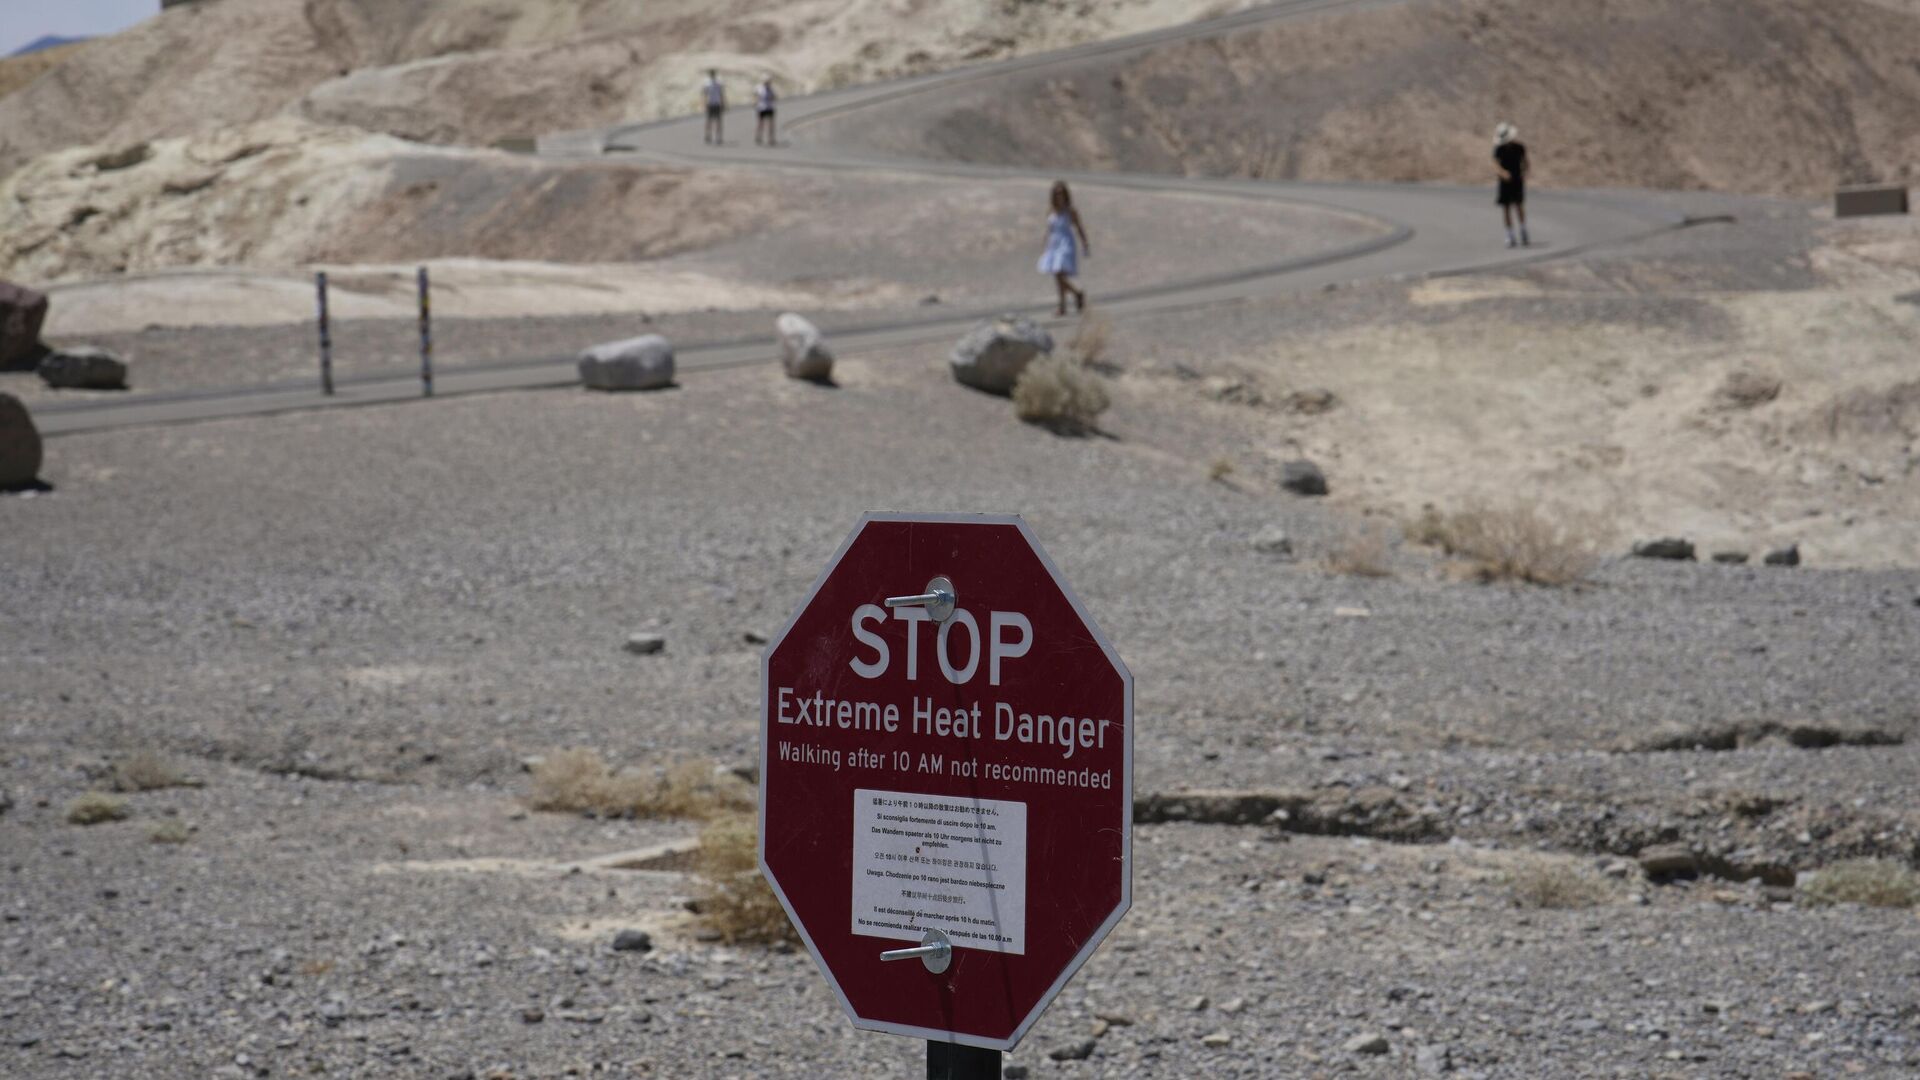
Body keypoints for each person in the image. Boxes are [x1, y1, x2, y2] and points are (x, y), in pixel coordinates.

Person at [1037, 180, 1090, 315]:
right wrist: (1045, 243)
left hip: (1066, 243)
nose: (1059, 196)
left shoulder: (1070, 211)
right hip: (1054, 244)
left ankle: (1073, 297)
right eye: (1056, 194)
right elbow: (1050, 229)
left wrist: (1085, 243)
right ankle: (1067, 302)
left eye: (1061, 193)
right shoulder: (1051, 211)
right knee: (1057, 276)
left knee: (1060, 273)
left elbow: (1079, 227)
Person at [1494, 122, 1529, 247]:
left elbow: (1525, 163)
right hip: (1505, 182)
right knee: (1506, 208)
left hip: (1516, 180)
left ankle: (1523, 230)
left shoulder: (1519, 148)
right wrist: (1503, 173)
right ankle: (1510, 234)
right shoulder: (1499, 149)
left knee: (1519, 206)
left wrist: (1524, 173)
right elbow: (1496, 165)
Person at [702, 70, 726, 145]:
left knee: (718, 121)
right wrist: (704, 103)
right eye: (711, 74)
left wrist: (723, 103)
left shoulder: (719, 83)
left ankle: (718, 137)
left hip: (717, 103)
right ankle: (708, 135)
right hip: (710, 103)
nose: (712, 75)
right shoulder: (707, 83)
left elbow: (721, 93)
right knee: (709, 121)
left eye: (713, 74)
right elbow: (705, 94)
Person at [754, 75, 777, 147]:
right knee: (761, 123)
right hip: (762, 108)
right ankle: (758, 136)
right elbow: (756, 97)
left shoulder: (771, 89)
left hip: (770, 107)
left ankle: (771, 138)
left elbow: (774, 97)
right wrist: (756, 103)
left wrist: (772, 97)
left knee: (771, 124)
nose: (767, 83)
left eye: (768, 81)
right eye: (766, 81)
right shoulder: (760, 89)